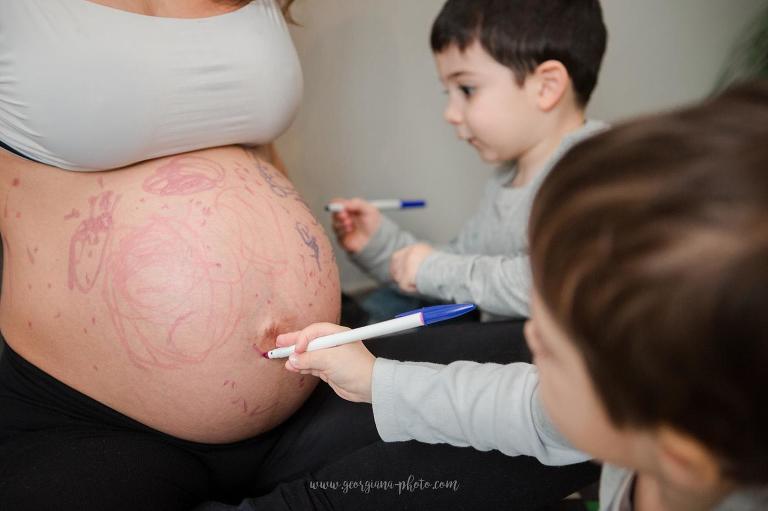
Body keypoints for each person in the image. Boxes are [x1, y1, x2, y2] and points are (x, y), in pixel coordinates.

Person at [0, 1, 598, 509]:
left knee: (614, 386)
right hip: (90, 416)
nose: (453, 111)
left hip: (320, 373)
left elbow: (246, 143)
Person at [279, 80, 768, 510]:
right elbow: (517, 404)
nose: (528, 334)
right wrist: (375, 380)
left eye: (553, 349)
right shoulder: (636, 423)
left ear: (679, 458)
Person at [332, 0, 608, 321]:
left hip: (534, 359)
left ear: (546, 87)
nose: (450, 113)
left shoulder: (594, 169)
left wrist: (433, 269)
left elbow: (550, 284)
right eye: (446, 93)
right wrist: (378, 245)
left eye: (467, 89)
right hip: (494, 337)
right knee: (379, 310)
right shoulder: (506, 178)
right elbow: (458, 269)